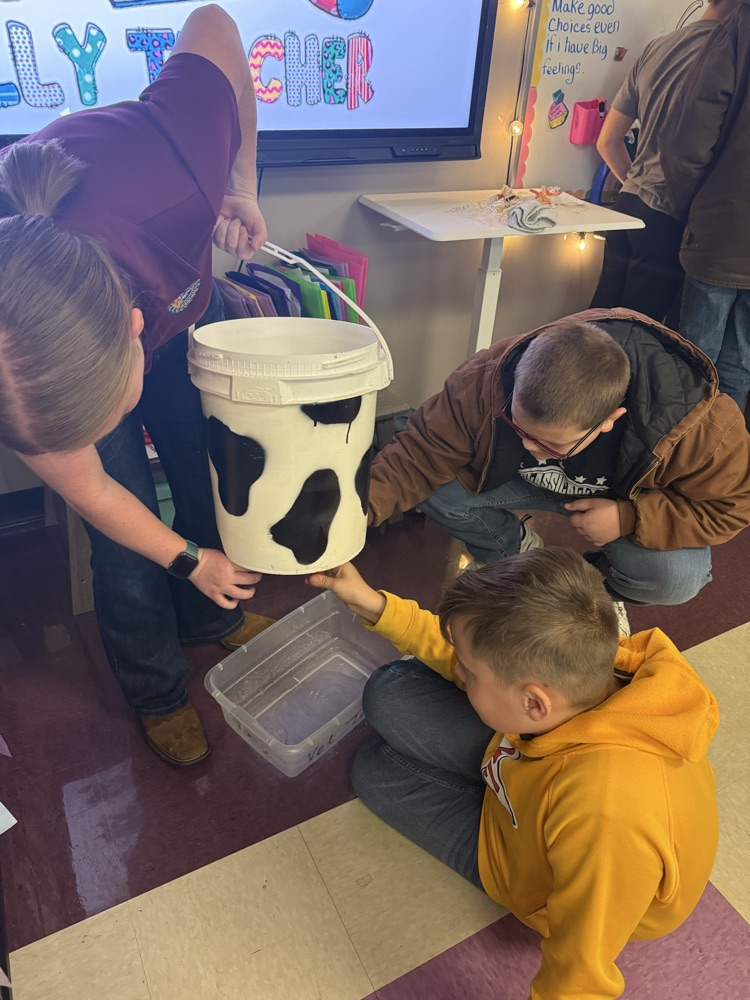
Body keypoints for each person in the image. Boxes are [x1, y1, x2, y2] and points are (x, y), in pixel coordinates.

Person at [0, 5, 272, 766]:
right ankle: (156, 690)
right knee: (123, 545)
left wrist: (241, 186)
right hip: (82, 313)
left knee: (208, 471)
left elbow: (214, 23)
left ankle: (206, 619)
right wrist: (189, 557)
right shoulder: (18, 373)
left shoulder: (179, 165)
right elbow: (95, 492)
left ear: (133, 330)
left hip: (176, 280)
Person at [306, 550, 719, 1000]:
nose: (458, 671)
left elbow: (581, 972)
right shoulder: (599, 662)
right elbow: (483, 654)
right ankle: (498, 776)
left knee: (373, 769)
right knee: (390, 690)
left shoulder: (607, 818)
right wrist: (375, 606)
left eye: (470, 672)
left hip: (530, 867)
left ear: (535, 704)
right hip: (531, 776)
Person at [367, 309, 750, 618]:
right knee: (427, 472)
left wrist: (629, 517)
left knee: (676, 580)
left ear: (609, 420)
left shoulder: (703, 426)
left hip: (619, 501)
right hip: (521, 483)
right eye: (518, 428)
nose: (531, 448)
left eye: (551, 443)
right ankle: (516, 555)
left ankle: (583, 595)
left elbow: (732, 508)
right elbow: (418, 454)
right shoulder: (484, 379)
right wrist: (354, 519)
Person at [589, 0, 740, 324]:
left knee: (596, 328)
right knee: (641, 337)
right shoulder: (729, 54)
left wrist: (635, 183)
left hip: (628, 207)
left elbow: (607, 141)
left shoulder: (657, 47)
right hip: (670, 216)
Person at [660, 0, 750, 410]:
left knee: (692, 370)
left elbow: (686, 141)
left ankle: (675, 469)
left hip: (724, 229)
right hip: (725, 227)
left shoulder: (737, 28)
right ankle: (720, 469)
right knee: (739, 372)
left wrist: (691, 206)